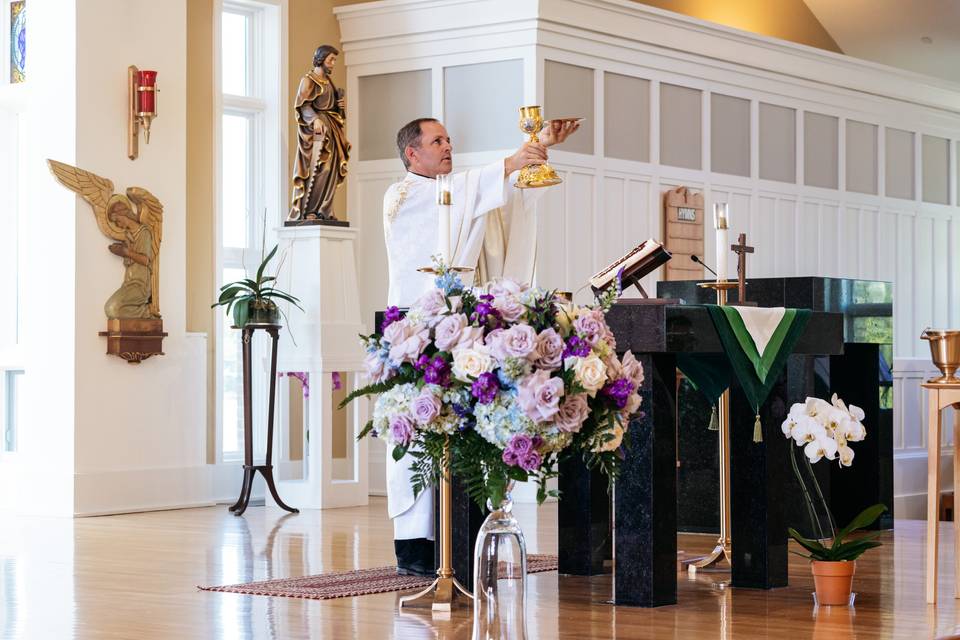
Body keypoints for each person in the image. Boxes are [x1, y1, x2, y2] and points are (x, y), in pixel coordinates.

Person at [382, 116, 579, 575]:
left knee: (463, 430)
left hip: (461, 325)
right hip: (416, 331)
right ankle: (415, 546)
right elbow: (458, 199)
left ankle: (461, 539)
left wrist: (533, 152)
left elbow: (491, 202)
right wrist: (512, 161)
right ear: (412, 153)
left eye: (450, 138)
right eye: (437, 141)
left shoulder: (457, 190)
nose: (448, 146)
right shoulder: (403, 195)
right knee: (418, 440)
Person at [287, 44, 350, 222]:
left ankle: (324, 209)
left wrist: (340, 107)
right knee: (320, 168)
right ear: (321, 59)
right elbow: (303, 105)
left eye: (334, 60)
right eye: (331, 60)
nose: (332, 64)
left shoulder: (329, 82)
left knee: (332, 172)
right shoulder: (308, 80)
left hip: (332, 130)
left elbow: (334, 108)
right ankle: (309, 210)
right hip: (317, 134)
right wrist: (315, 119)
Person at [104, 207, 155, 319]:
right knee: (110, 309)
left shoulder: (144, 233)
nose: (118, 225)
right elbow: (129, 258)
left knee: (112, 309)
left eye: (117, 220)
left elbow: (146, 260)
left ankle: (147, 311)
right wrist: (121, 251)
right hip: (129, 283)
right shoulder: (128, 235)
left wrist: (126, 252)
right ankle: (143, 311)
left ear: (125, 216)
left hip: (140, 285)